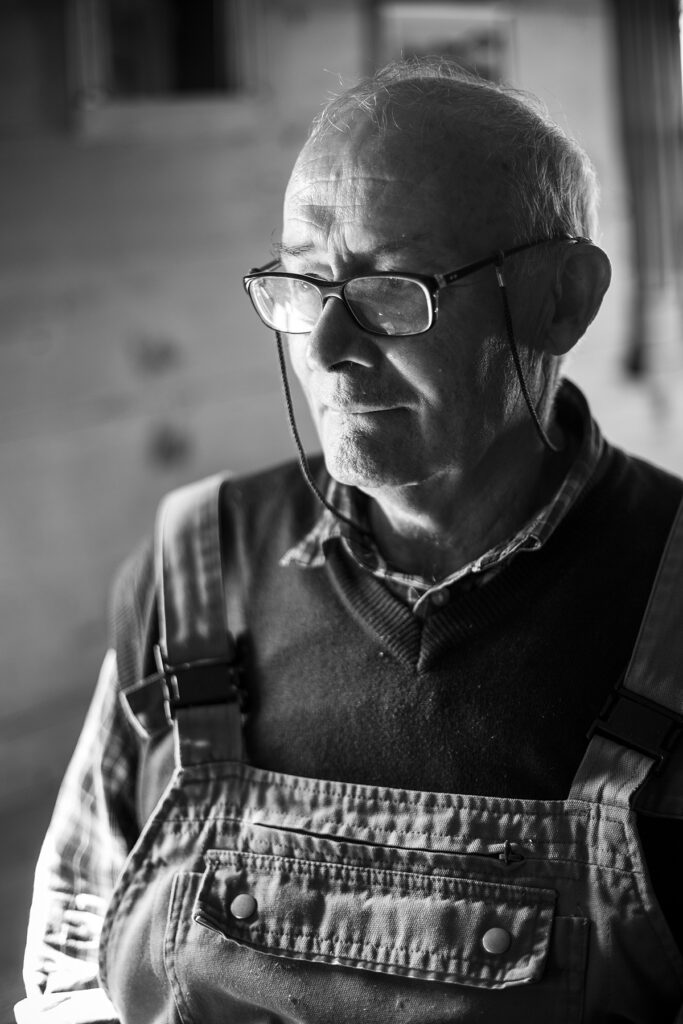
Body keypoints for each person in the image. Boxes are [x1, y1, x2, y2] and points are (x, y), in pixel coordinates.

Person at [17, 57, 683, 1023]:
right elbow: (71, 967)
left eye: (393, 291)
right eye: (301, 283)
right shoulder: (194, 572)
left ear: (561, 300)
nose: (324, 348)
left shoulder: (672, 603)